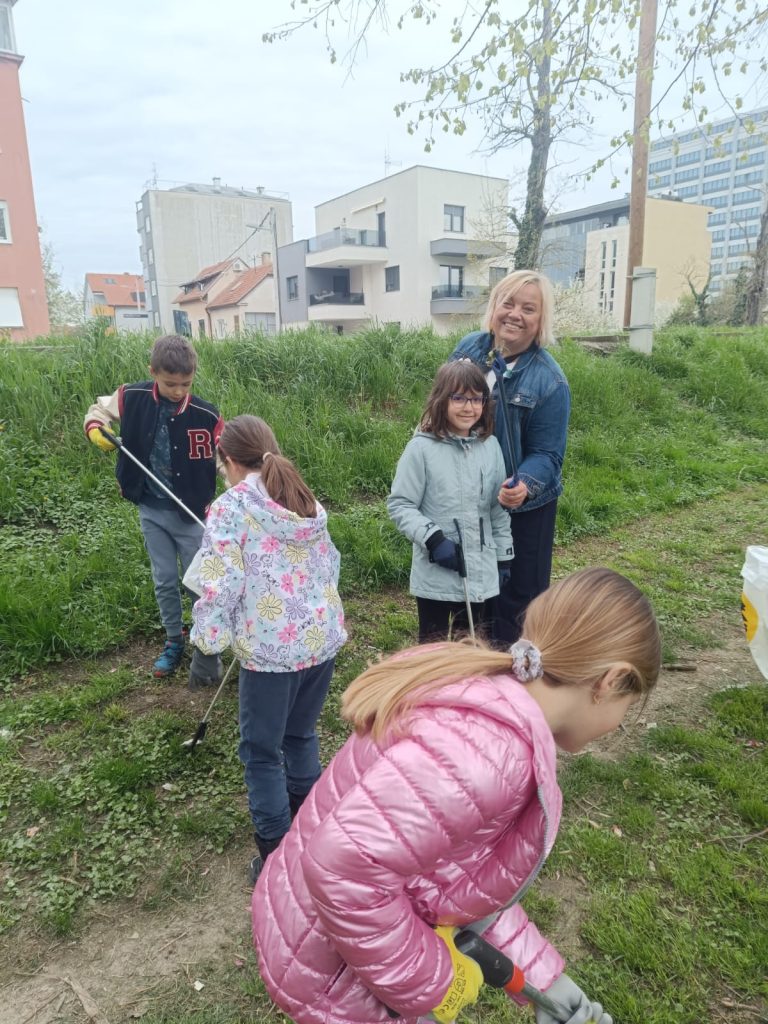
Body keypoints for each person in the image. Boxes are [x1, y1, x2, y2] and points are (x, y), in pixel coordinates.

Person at [251, 567, 660, 1024]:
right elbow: (342, 868)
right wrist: (434, 980)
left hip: (313, 933)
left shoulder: (485, 698)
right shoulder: (490, 756)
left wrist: (546, 982)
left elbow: (448, 875)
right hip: (332, 969)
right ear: (611, 681)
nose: (617, 727)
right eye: (627, 709)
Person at [189, 415, 347, 882]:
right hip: (320, 641)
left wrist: (208, 641)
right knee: (300, 734)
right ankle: (312, 833)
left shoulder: (229, 507)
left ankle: (277, 857)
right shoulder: (303, 496)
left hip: (271, 652)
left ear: (229, 461)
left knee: (261, 752)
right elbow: (330, 564)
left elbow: (219, 582)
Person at [84, 334, 224, 678]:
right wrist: (97, 428)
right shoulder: (131, 396)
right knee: (164, 579)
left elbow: (226, 458)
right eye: (170, 383)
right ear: (153, 372)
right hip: (151, 509)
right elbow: (99, 411)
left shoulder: (206, 414)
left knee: (197, 582)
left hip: (191, 513)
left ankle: (206, 642)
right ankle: (174, 640)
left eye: (186, 384)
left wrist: (242, 486)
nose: (178, 391)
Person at [451, 270, 570, 645]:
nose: (515, 314)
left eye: (529, 309)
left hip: (522, 511)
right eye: (508, 303)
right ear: (494, 306)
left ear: (541, 319)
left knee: (517, 606)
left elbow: (548, 455)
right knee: (469, 597)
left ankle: (512, 672)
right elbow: (443, 403)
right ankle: (467, 667)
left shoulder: (550, 381)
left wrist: (524, 486)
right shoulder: (469, 349)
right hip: (468, 499)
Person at [387, 360, 513, 643]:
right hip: (437, 572)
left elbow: (497, 507)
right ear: (442, 399)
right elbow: (401, 504)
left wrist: (504, 555)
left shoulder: (490, 447)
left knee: (470, 648)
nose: (469, 407)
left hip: (480, 572)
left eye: (476, 399)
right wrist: (433, 539)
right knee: (432, 650)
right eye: (459, 398)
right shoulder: (421, 448)